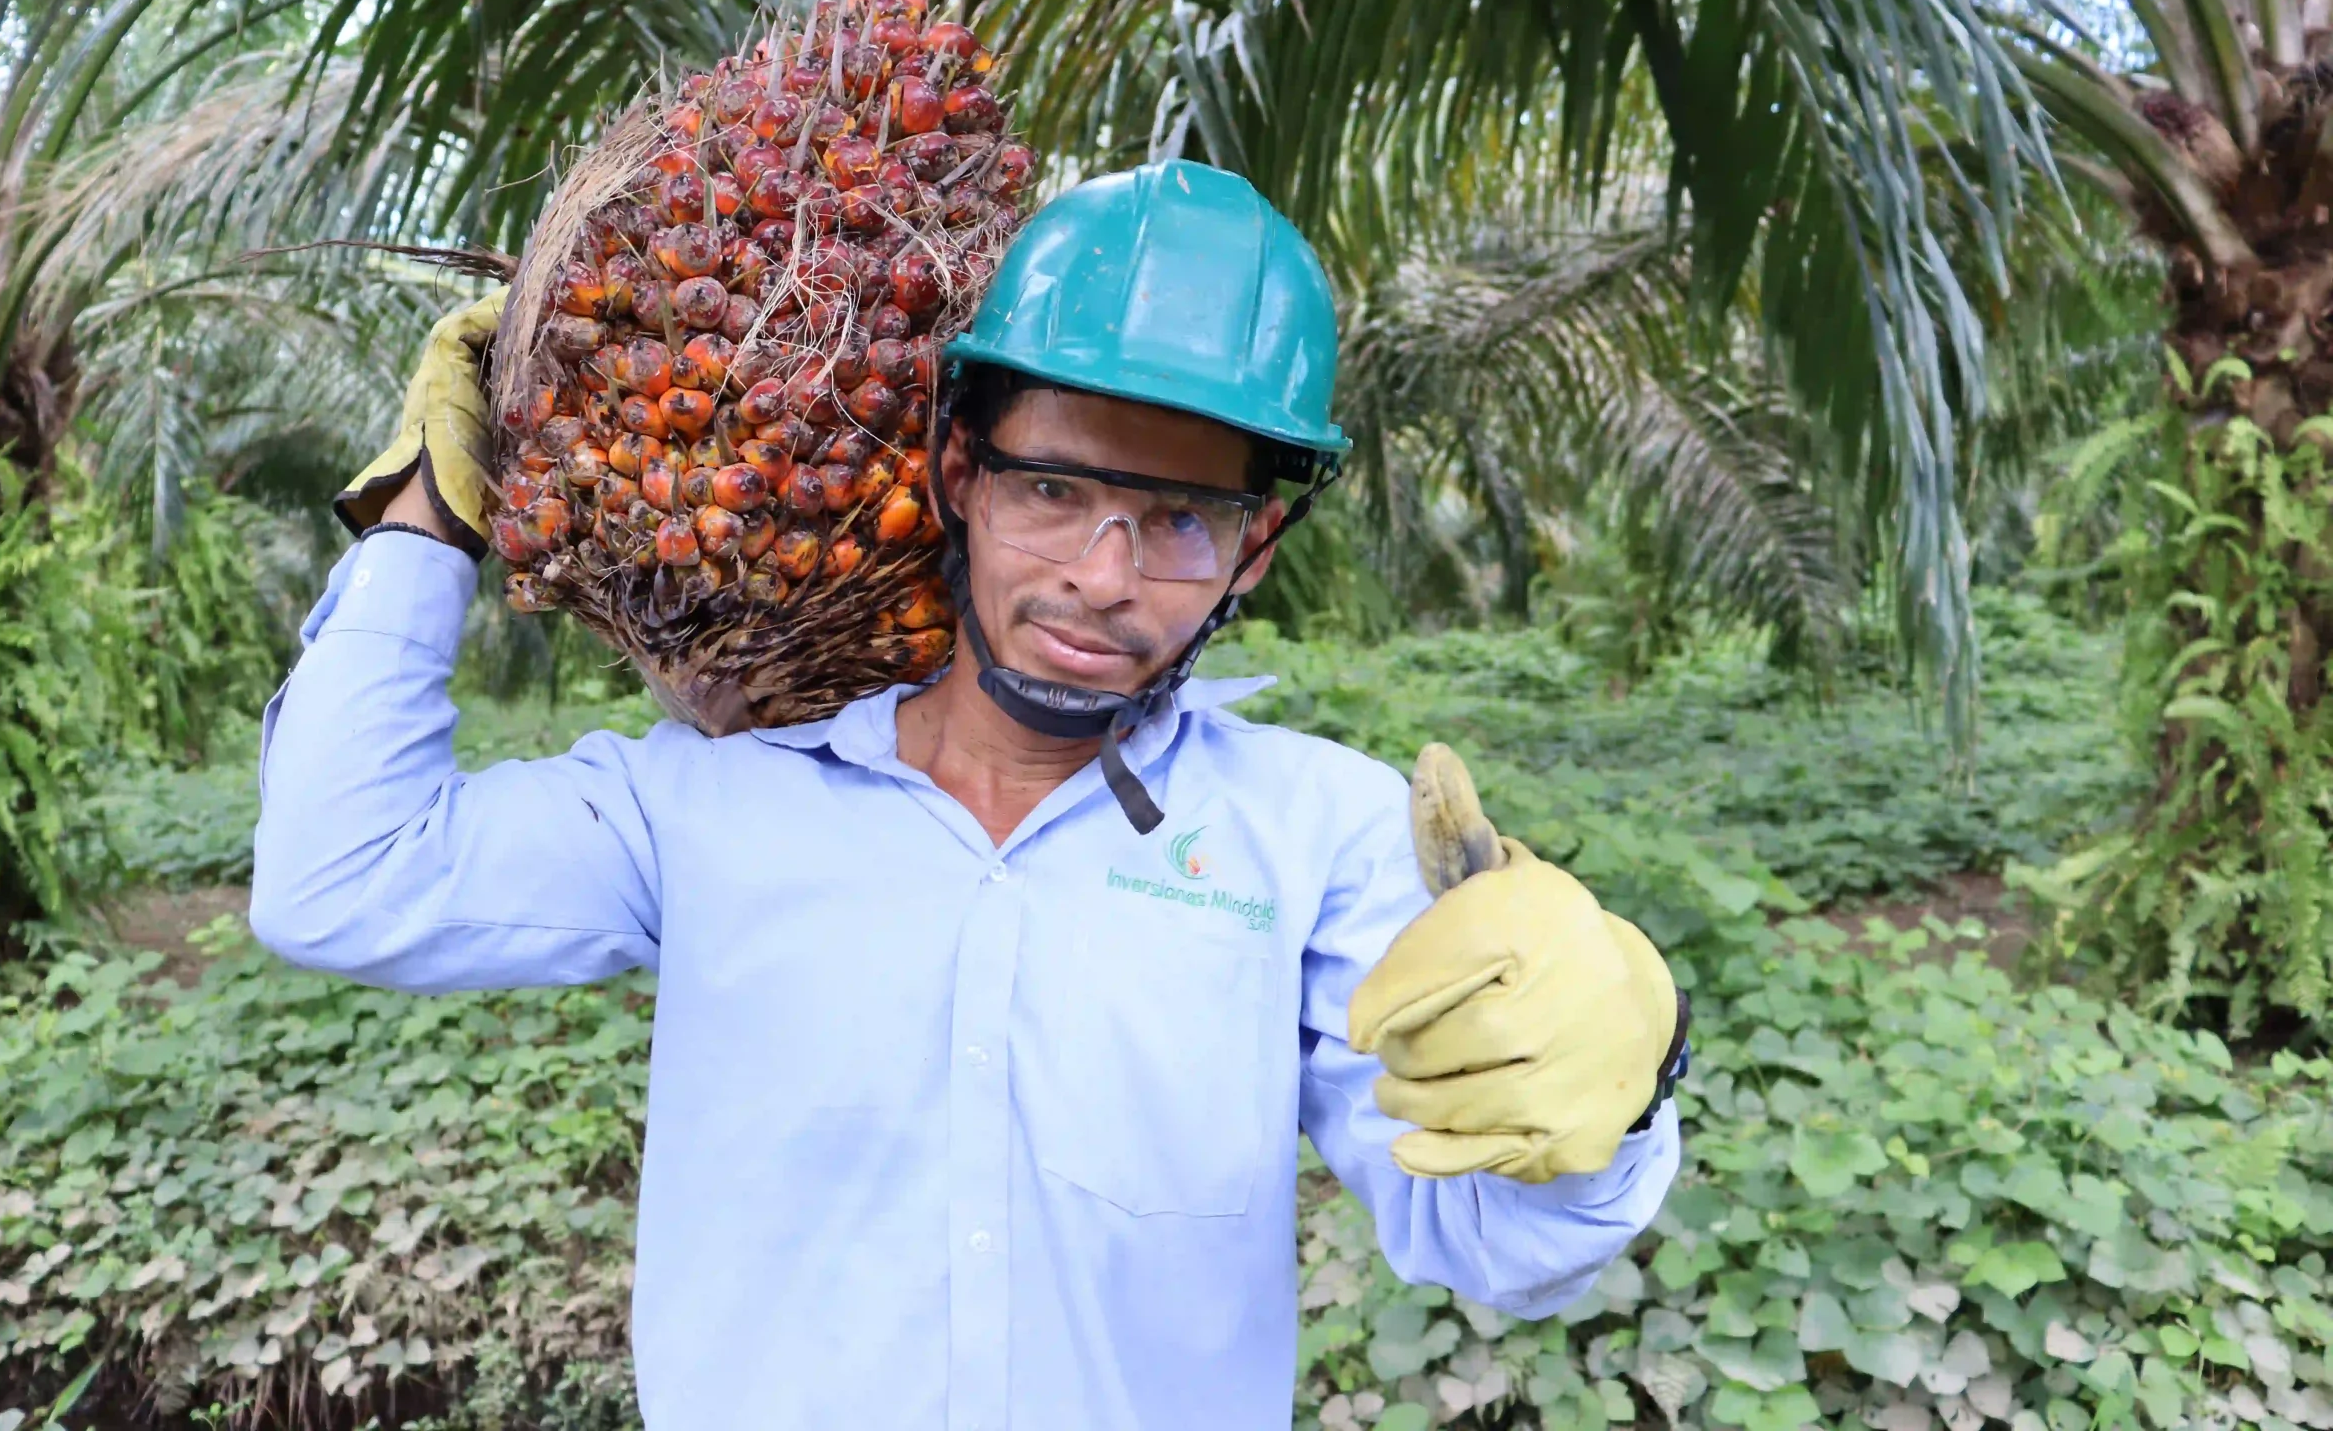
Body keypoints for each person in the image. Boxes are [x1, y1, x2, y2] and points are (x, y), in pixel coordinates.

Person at [252, 159, 1688, 1431]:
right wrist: (427, 517)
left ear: (1255, 553)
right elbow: (338, 878)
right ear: (956, 472)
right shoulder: (710, 808)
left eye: (1182, 517)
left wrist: (1625, 1082)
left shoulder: (1321, 839)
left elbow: (1503, 1242)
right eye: (1053, 489)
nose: (1102, 575)